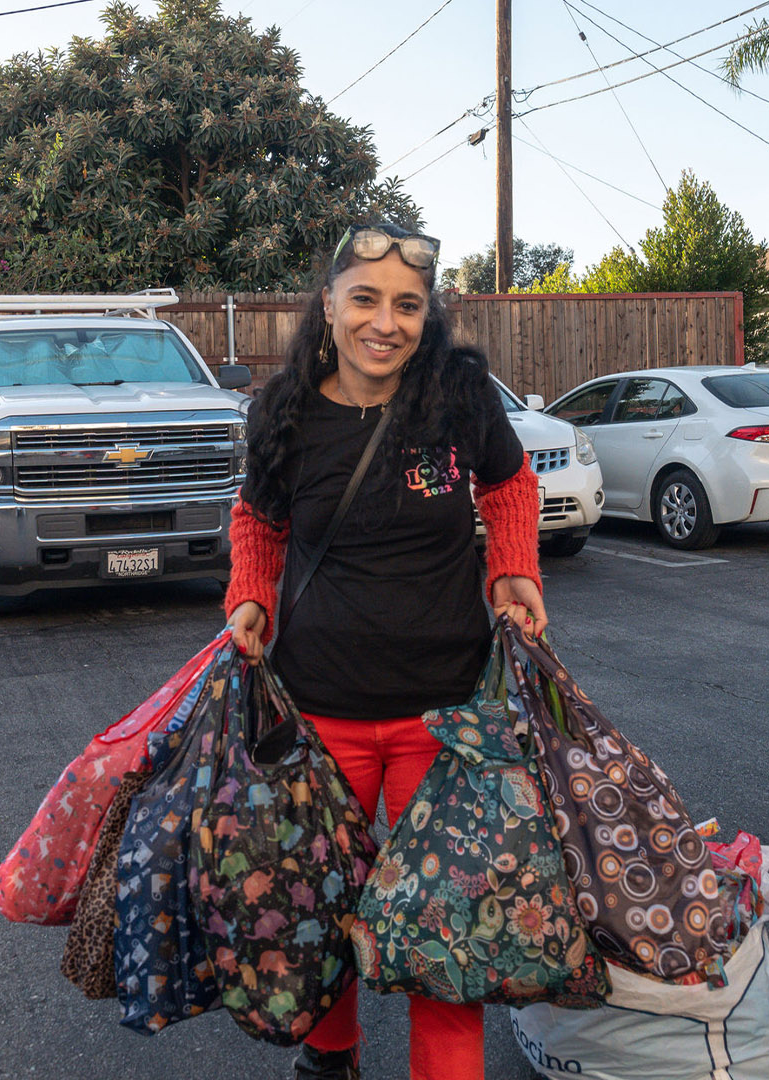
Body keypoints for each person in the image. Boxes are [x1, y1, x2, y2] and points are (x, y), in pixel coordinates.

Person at [223, 222, 545, 1080]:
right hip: (318, 714)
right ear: (328, 305)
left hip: (445, 716)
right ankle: (332, 1058)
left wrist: (514, 570)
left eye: (407, 305)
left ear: (427, 315)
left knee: (448, 923)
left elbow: (510, 484)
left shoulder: (458, 397)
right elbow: (260, 519)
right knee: (324, 906)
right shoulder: (284, 409)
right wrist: (249, 593)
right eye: (364, 298)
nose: (385, 322)